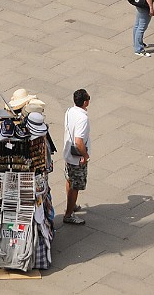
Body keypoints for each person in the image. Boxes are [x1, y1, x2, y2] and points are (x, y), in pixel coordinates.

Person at [62, 88, 90, 226]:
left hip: (68, 154)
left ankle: (71, 206)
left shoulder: (69, 111)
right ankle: (68, 214)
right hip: (77, 158)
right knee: (76, 186)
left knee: (69, 180)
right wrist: (85, 155)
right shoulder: (83, 118)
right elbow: (79, 141)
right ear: (86, 102)